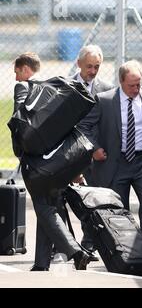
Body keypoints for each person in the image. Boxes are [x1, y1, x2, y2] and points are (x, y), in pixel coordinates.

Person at [12, 52, 91, 271]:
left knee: (44, 209)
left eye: (17, 72)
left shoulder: (23, 88)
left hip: (37, 164)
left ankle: (75, 251)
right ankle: (41, 262)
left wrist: (20, 149)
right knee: (48, 208)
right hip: (59, 162)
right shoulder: (49, 90)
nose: (16, 77)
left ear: (25, 69)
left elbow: (19, 119)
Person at [78, 60, 142, 236]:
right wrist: (95, 148)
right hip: (116, 163)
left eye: (138, 84)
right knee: (119, 211)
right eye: (131, 85)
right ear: (121, 82)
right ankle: (125, 253)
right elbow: (84, 127)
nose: (136, 89)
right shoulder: (105, 100)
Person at [71, 44, 114, 258]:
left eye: (97, 66)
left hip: (95, 156)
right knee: (66, 200)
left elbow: (105, 124)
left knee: (93, 199)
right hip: (70, 154)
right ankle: (61, 244)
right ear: (79, 64)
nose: (93, 71)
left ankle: (89, 244)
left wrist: (97, 148)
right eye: (89, 66)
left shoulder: (106, 89)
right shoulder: (66, 86)